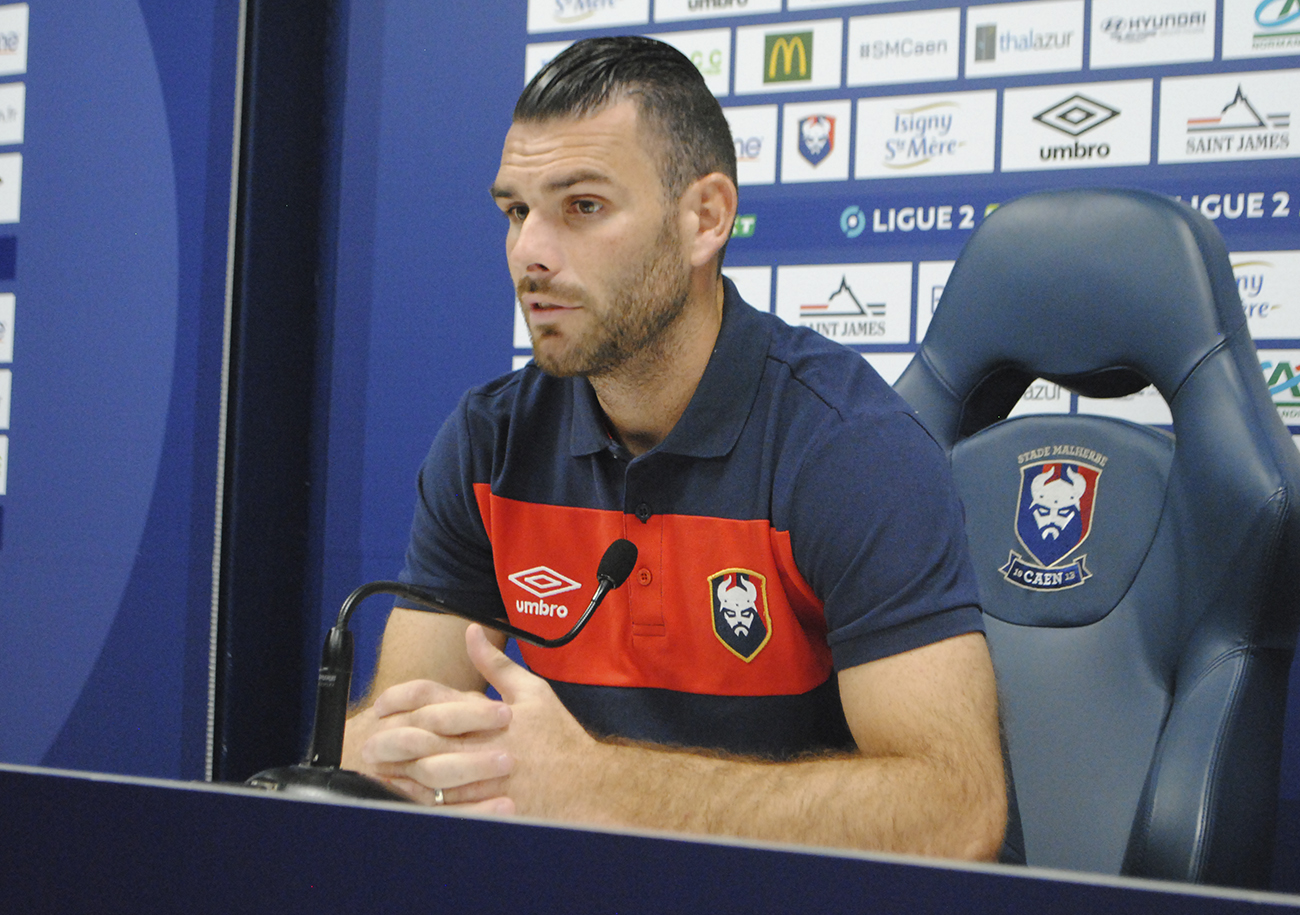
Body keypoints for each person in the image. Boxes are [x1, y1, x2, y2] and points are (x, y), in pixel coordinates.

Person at [342, 35, 1009, 861]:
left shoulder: (848, 447)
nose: (529, 254)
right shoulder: (489, 447)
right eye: (516, 211)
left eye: (581, 206)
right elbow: (403, 734)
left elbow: (955, 809)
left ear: (705, 218)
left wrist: (600, 787)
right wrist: (377, 757)